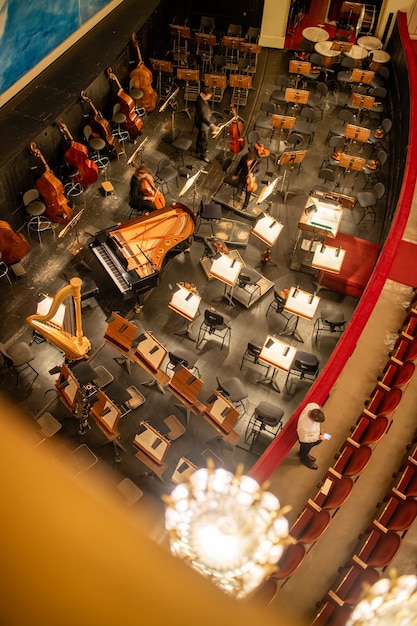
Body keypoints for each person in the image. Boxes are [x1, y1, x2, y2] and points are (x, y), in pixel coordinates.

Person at [296, 402, 327, 470]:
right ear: (313, 420)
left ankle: (302, 453)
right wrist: (317, 437)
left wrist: (318, 435)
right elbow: (303, 440)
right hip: (306, 439)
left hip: (314, 433)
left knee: (318, 441)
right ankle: (303, 458)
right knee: (306, 446)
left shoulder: (314, 406)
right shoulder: (304, 427)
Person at [194, 86, 219, 163]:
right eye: (208, 96)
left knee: (200, 136)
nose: (209, 98)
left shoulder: (201, 97)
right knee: (204, 140)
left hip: (204, 120)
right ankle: (203, 156)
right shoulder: (200, 103)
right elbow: (203, 117)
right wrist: (211, 125)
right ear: (204, 94)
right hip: (203, 123)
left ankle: (198, 149)